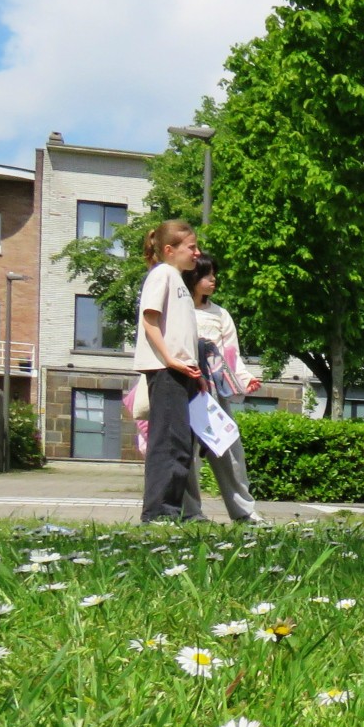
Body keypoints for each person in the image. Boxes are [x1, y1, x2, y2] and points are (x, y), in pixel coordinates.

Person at [179, 254, 266, 525]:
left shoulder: (220, 314)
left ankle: (244, 512)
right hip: (182, 388)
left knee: (229, 452)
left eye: (214, 274)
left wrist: (243, 378)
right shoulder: (178, 309)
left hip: (213, 393)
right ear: (192, 277)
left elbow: (231, 355)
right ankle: (190, 513)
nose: (213, 279)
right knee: (186, 454)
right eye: (207, 275)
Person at [134, 219, 204, 524]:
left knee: (181, 444)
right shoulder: (161, 274)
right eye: (191, 247)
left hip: (181, 372)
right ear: (168, 250)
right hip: (166, 371)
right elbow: (149, 320)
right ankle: (159, 513)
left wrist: (194, 373)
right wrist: (171, 360)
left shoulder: (178, 282)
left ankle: (172, 511)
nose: (197, 253)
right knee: (168, 443)